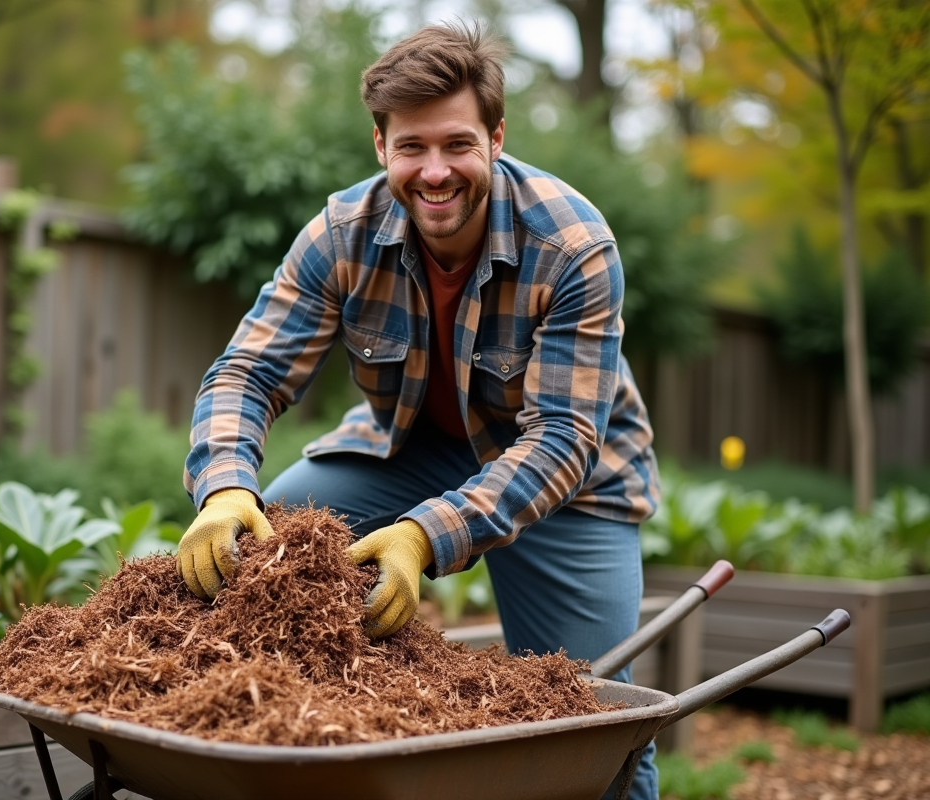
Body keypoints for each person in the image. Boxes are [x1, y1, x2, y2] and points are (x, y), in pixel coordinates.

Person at [175, 22, 661, 800]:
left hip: (572, 485)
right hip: (413, 447)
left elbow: (565, 438)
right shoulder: (341, 233)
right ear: (381, 147)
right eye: (412, 147)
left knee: (595, 732)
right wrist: (226, 484)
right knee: (281, 533)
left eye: (458, 144)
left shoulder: (573, 244)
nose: (435, 172)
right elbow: (247, 371)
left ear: (496, 138)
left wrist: (423, 536)